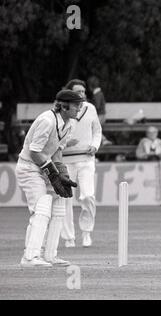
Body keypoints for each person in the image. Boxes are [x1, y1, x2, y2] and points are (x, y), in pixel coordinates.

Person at [15, 89, 80, 267]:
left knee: (59, 207)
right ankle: (29, 257)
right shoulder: (47, 120)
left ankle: (50, 255)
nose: (79, 108)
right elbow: (35, 151)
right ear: (64, 106)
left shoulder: (70, 124)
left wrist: (62, 173)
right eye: (76, 105)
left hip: (46, 167)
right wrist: (52, 173)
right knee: (42, 208)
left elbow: (57, 150)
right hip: (29, 167)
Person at [61, 79, 102, 248]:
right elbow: (55, 134)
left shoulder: (91, 108)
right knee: (65, 199)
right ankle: (69, 237)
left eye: (83, 91)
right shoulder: (61, 110)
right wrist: (65, 143)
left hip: (86, 158)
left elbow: (97, 131)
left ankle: (86, 233)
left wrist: (94, 145)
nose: (81, 94)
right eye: (77, 91)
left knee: (88, 196)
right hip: (66, 160)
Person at [87, 76, 112, 146]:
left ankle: (104, 140)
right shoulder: (98, 93)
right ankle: (103, 140)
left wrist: (89, 104)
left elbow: (97, 106)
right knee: (93, 128)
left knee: (93, 128)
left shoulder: (97, 94)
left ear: (90, 87)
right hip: (101, 115)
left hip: (100, 116)